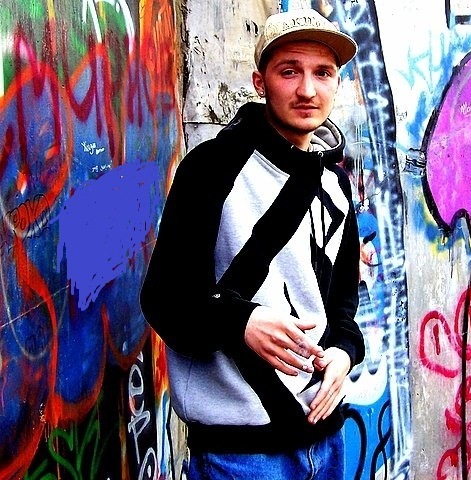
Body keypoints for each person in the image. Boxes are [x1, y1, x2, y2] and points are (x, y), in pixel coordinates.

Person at [140, 8, 365, 480]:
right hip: (240, 456)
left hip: (327, 440)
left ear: (338, 84)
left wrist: (344, 353)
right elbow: (164, 300)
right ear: (260, 83)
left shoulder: (336, 183)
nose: (308, 90)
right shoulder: (211, 168)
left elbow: (343, 303)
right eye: (290, 72)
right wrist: (241, 321)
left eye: (323, 73)